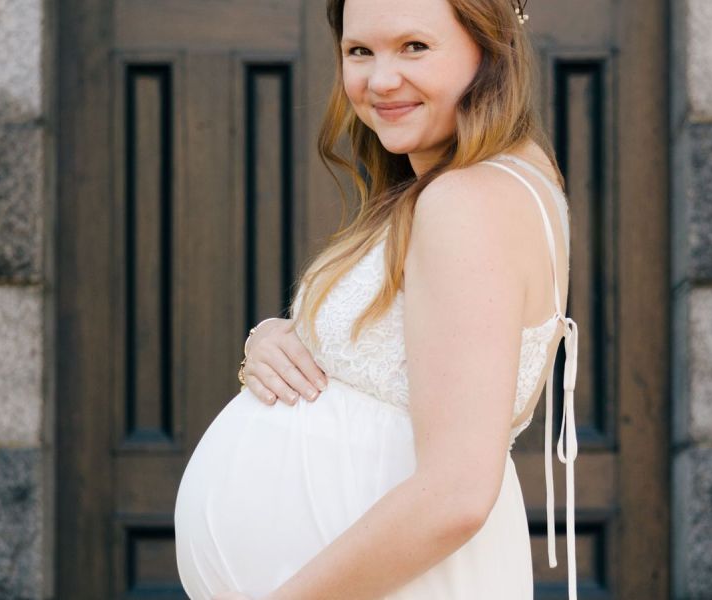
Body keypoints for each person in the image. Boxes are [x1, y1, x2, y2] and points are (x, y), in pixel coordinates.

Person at [173, 0, 580, 598]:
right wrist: (274, 339)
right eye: (360, 51)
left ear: (490, 49)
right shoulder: (473, 184)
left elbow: (456, 495)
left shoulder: (470, 199)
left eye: (414, 47)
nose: (380, 80)